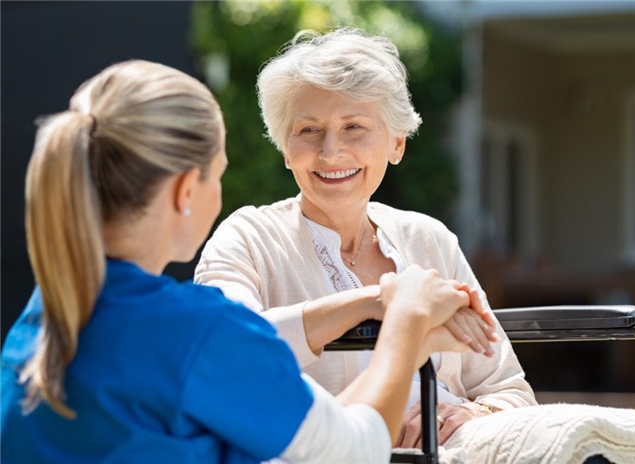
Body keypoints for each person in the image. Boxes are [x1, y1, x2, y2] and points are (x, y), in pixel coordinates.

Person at [0, 60, 487, 463]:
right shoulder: (198, 332)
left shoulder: (44, 316)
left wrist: (372, 303)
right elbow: (354, 451)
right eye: (218, 176)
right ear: (186, 191)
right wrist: (405, 318)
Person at [194, 28, 537, 450]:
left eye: (353, 127)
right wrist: (379, 301)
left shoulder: (429, 239)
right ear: (285, 148)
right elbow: (228, 353)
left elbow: (509, 389)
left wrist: (469, 414)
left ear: (396, 143)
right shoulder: (247, 238)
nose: (330, 152)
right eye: (308, 130)